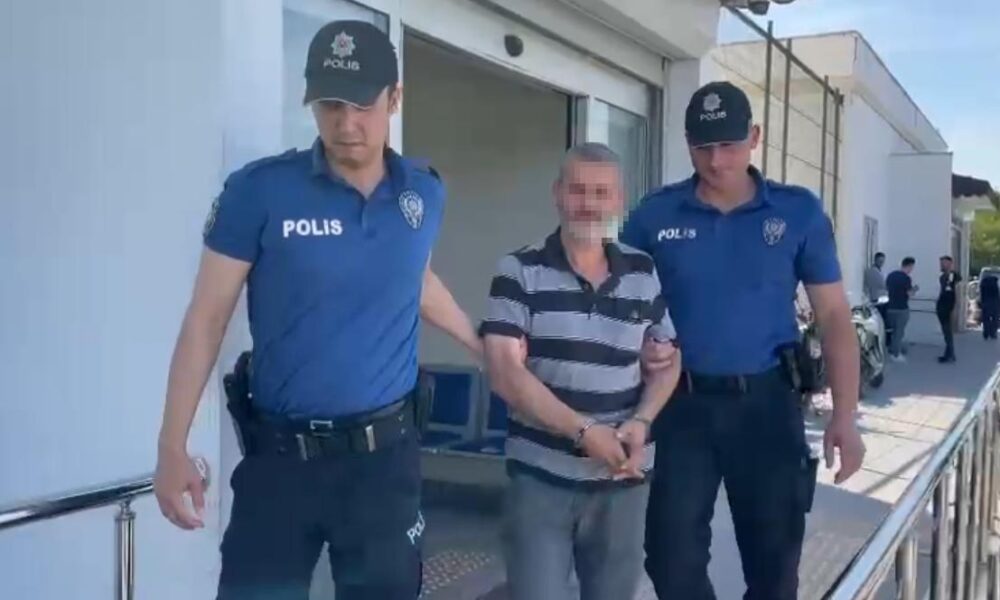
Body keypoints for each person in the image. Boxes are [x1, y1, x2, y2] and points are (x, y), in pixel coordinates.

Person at [152, 20, 482, 599]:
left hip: (384, 465)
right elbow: (206, 321)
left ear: (394, 99)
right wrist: (170, 446)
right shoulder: (259, 192)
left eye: (362, 105)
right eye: (330, 104)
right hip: (281, 463)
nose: (345, 124)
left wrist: (481, 346)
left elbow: (413, 278)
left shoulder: (422, 193)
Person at [620, 81, 865, 600]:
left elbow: (834, 316)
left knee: (775, 567)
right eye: (703, 147)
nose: (716, 160)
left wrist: (845, 415)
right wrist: (639, 348)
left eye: (729, 145)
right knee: (670, 559)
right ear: (687, 144)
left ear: (754, 137)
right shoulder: (654, 216)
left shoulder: (797, 212)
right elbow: (622, 306)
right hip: (680, 407)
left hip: (766, 406)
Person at [480, 143, 682, 600]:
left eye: (601, 192)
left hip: (623, 480)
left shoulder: (642, 271)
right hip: (540, 479)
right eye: (577, 190)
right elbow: (504, 373)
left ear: (619, 200)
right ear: (557, 193)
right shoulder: (518, 271)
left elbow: (669, 361)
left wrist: (642, 419)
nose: (589, 204)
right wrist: (585, 431)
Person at [885, 257, 918, 361]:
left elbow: (887, 289)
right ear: (909, 266)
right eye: (912, 267)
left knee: (892, 331)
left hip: (890, 308)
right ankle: (895, 354)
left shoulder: (891, 275)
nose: (912, 270)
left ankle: (892, 349)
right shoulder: (906, 278)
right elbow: (909, 294)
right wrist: (915, 289)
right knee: (899, 332)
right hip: (901, 308)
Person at [936, 255, 962, 363]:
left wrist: (955, 308)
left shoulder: (954, 276)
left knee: (948, 331)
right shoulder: (942, 277)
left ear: (949, 264)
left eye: (943, 263)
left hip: (949, 307)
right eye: (941, 263)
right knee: (946, 331)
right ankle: (949, 353)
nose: (941, 265)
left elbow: (957, 289)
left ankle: (950, 354)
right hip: (942, 306)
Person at [864, 252, 890, 345]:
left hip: (881, 299)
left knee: (883, 321)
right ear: (875, 260)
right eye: (880, 261)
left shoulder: (879, 271)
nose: (881, 263)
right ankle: (878, 342)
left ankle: (881, 341)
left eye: (883, 261)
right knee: (880, 321)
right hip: (877, 299)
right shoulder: (872, 271)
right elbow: (883, 285)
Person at [979, 273, 998, 340]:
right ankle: (993, 333)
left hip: (985, 302)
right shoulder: (995, 284)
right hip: (994, 302)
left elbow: (982, 294)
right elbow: (997, 294)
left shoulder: (983, 284)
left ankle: (986, 332)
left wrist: (981, 303)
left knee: (985, 318)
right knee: (994, 318)